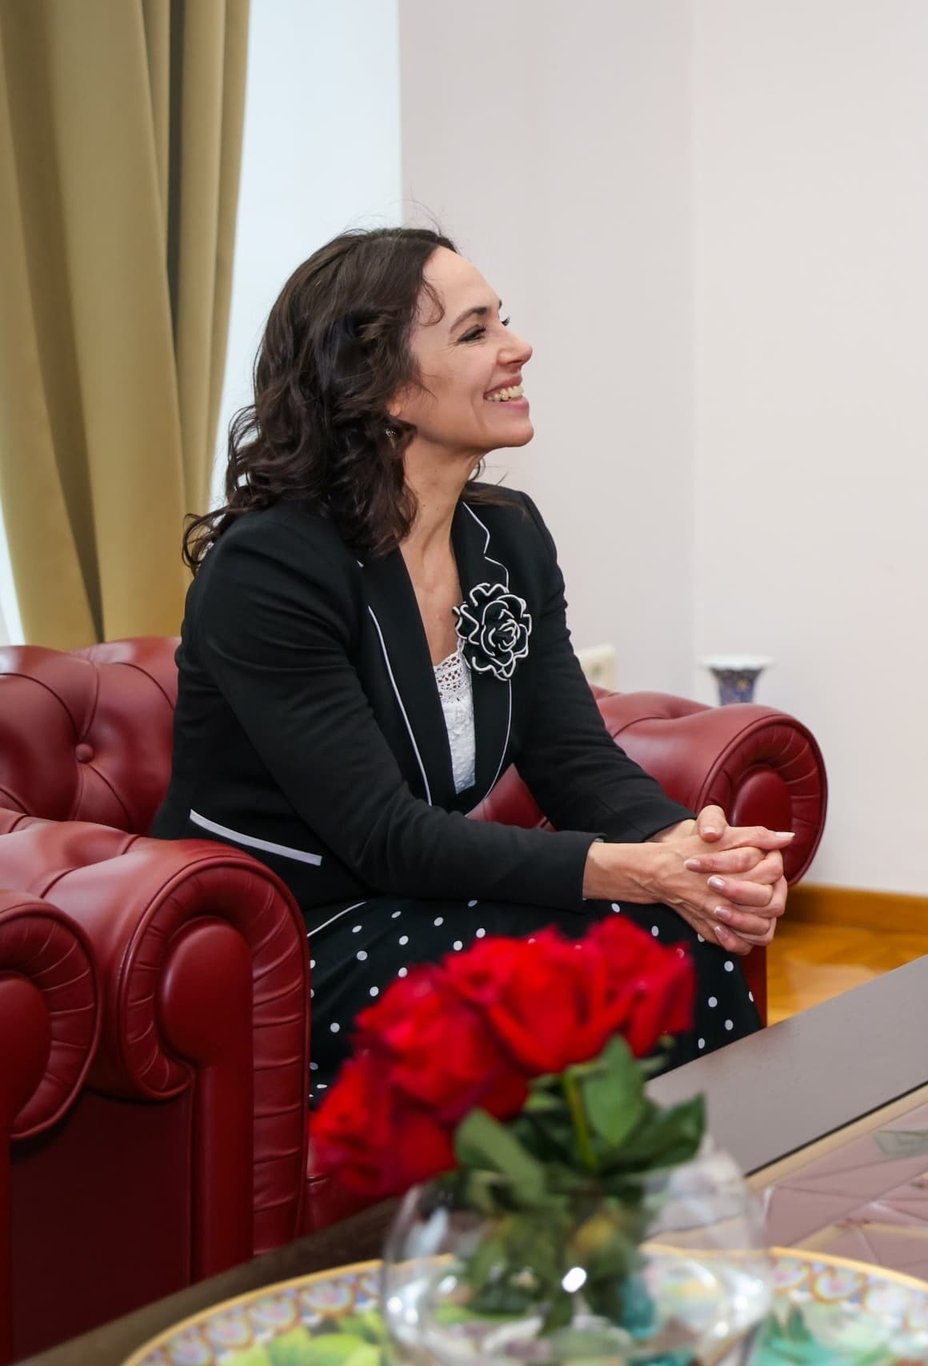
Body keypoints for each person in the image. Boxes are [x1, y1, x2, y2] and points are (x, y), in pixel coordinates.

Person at [155, 227, 789, 1096]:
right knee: (627, 962)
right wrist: (628, 871)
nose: (517, 347)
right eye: (475, 331)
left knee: (680, 936)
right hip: (282, 938)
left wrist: (689, 848)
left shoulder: (507, 537)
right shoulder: (271, 569)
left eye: (503, 321)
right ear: (382, 385)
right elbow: (382, 835)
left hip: (415, 902)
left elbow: (572, 756)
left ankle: (709, 1183)